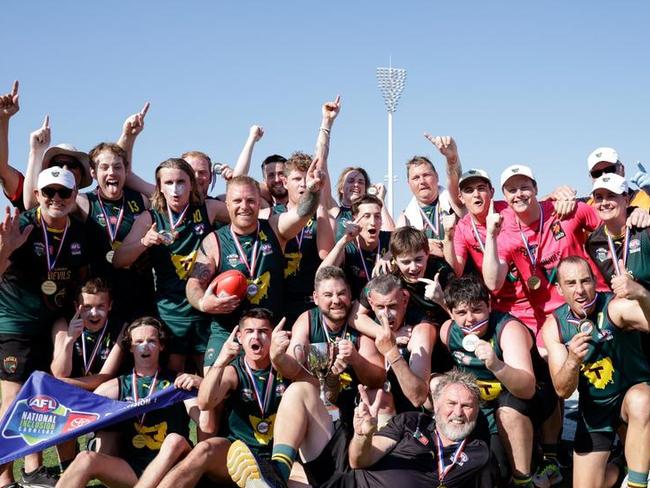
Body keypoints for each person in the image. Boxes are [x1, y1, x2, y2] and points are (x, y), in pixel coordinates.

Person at [226, 369, 494, 488]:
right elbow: (359, 460)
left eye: (467, 406)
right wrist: (364, 435)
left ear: (476, 410)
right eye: (451, 403)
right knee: (301, 391)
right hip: (349, 477)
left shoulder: (478, 453)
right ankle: (277, 476)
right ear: (436, 406)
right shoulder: (413, 421)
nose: (458, 412)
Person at [0, 167, 89, 488]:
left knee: (53, 397)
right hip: (16, 324)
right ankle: (4, 478)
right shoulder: (21, 225)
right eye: (49, 192)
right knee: (11, 402)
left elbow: (83, 278)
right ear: (37, 195)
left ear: (74, 196)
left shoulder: (79, 232)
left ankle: (46, 471)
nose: (56, 199)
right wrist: (6, 247)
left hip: (54, 324)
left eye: (64, 192)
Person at [187, 165, 322, 368]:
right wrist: (204, 303)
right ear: (227, 204)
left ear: (259, 203)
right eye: (237, 201)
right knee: (211, 386)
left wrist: (312, 190)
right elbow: (194, 283)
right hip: (228, 329)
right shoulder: (214, 240)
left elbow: (303, 213)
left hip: (269, 330)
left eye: (251, 200)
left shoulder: (275, 228)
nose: (244, 206)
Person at [441, 275, 561, 487]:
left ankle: (525, 479)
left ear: (489, 305)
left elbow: (526, 389)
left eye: (477, 309)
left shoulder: (508, 330)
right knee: (494, 470)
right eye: (461, 312)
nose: (470, 319)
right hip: (486, 405)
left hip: (526, 400)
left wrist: (497, 365)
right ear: (450, 313)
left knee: (508, 410)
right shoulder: (447, 332)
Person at [542, 256, 650, 488]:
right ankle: (621, 467)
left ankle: (638, 483)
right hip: (595, 410)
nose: (580, 290)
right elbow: (562, 390)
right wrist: (572, 360)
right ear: (559, 289)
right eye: (571, 283)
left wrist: (641, 294)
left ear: (595, 281)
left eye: (585, 281)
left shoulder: (614, 307)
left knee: (642, 399)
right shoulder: (554, 327)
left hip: (631, 398)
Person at [113, 158, 229, 372]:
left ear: (191, 184)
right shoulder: (150, 217)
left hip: (205, 306)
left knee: (209, 373)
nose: (176, 190)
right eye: (169, 183)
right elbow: (118, 259)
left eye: (181, 182)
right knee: (174, 376)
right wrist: (143, 243)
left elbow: (245, 218)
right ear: (160, 187)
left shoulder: (208, 209)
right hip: (170, 312)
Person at [55, 317, 201, 488]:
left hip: (173, 468)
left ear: (161, 345)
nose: (144, 346)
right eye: (138, 341)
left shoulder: (179, 382)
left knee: (174, 440)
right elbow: (80, 414)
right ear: (130, 347)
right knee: (85, 458)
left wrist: (201, 384)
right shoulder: (115, 386)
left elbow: (205, 422)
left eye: (151, 341)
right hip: (132, 469)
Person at [152, 308, 290, 488]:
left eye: (263, 332)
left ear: (274, 335)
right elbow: (204, 402)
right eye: (249, 331)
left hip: (279, 458)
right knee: (203, 449)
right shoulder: (232, 371)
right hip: (235, 455)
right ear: (239, 337)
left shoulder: (287, 368)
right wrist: (220, 362)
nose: (256, 337)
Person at [482, 164, 607, 347]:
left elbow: (613, 226)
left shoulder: (565, 209)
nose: (519, 194)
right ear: (505, 196)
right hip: (552, 317)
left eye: (524, 187)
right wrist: (491, 237)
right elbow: (493, 283)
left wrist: (636, 212)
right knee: (546, 352)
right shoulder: (505, 231)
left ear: (536, 189)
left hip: (594, 301)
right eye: (512, 190)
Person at [271, 266, 385, 428]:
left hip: (356, 401)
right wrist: (277, 356)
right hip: (319, 400)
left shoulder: (360, 322)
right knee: (298, 388)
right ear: (316, 298)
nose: (336, 300)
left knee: (381, 397)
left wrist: (356, 359)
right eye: (328, 295)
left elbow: (378, 379)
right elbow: (292, 370)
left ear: (350, 294)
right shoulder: (308, 320)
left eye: (341, 293)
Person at [397, 136, 464, 255]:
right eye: (416, 178)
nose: (422, 181)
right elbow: (400, 251)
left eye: (426, 175)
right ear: (409, 184)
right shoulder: (405, 218)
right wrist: (423, 244)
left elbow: (454, 179)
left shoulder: (452, 201)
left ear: (437, 177)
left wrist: (452, 158)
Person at [318, 194, 391, 299]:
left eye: (377, 216)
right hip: (355, 310)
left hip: (384, 306)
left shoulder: (389, 239)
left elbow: (410, 241)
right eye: (366, 216)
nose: (373, 222)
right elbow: (321, 275)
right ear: (355, 219)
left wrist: (389, 254)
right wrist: (344, 240)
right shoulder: (347, 246)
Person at [0, 80, 26, 211]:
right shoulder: (33, 198)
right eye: (57, 163)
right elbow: (2, 169)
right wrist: (3, 119)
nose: (65, 168)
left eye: (73, 164)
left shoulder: (90, 207)